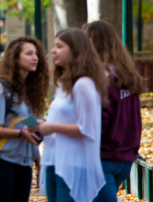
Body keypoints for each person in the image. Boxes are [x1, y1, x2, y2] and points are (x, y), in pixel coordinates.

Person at [37, 28, 107, 202]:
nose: (53, 51)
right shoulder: (64, 83)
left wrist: (50, 127)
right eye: (54, 46)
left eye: (59, 46)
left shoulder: (83, 85)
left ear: (76, 49)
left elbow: (88, 128)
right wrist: (42, 124)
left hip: (72, 165)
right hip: (54, 161)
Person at [0, 37, 50, 201]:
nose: (35, 58)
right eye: (29, 53)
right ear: (15, 58)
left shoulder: (28, 90)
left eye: (36, 54)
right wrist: (20, 133)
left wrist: (39, 163)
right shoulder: (0, 89)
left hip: (25, 165)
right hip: (2, 161)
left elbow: (28, 124)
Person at [82, 21, 144, 202]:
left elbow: (99, 121)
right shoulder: (128, 76)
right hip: (124, 156)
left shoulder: (99, 78)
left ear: (91, 42)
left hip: (102, 157)